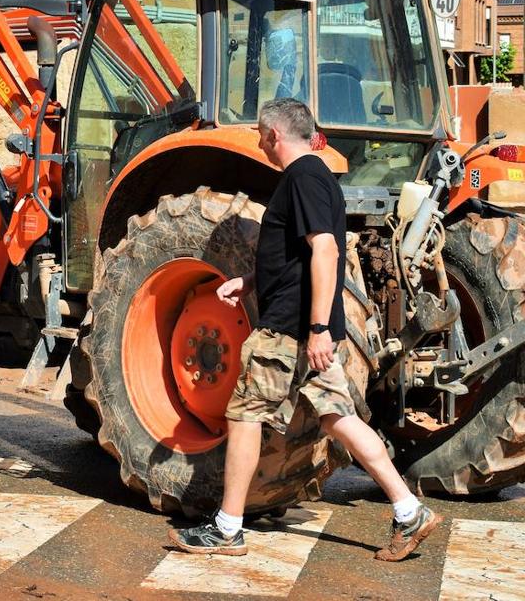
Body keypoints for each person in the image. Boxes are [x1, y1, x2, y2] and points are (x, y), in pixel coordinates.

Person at [169, 98, 440, 562]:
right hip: (305, 329)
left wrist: (316, 328)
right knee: (338, 418)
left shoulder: (303, 177)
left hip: (290, 331)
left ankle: (227, 529)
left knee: (243, 414)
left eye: (259, 134)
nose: (258, 141)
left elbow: (326, 252)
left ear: (275, 135)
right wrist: (251, 281)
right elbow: (297, 256)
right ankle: (409, 510)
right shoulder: (314, 179)